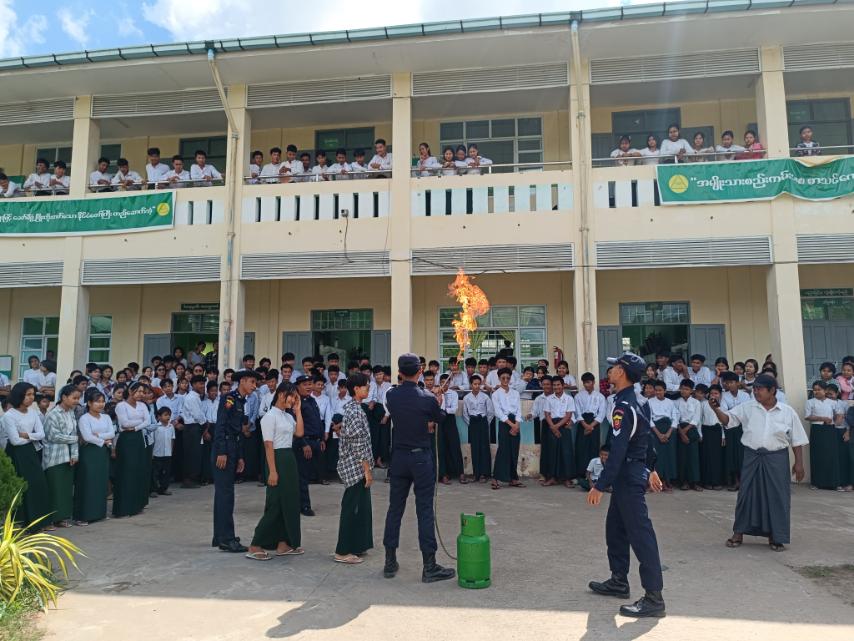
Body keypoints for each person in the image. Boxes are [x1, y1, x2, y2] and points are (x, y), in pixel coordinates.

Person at [588, 352, 666, 618]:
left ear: (621, 372)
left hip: (628, 475)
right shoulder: (638, 400)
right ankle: (619, 580)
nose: (609, 371)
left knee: (641, 536)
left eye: (613, 367)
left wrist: (600, 485)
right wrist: (651, 467)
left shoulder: (623, 406)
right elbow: (647, 438)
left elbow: (618, 450)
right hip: (631, 472)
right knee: (615, 530)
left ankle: (654, 598)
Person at [710, 374, 807, 551]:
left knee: (777, 497)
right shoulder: (747, 407)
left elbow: (797, 440)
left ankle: (776, 536)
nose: (755, 392)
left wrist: (799, 464)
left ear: (772, 390)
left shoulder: (787, 412)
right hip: (752, 456)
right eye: (754, 388)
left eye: (759, 389)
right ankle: (738, 532)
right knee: (746, 495)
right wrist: (716, 409)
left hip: (777, 458)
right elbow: (728, 420)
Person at [382, 353, 455, 583]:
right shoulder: (427, 398)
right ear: (420, 371)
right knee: (424, 510)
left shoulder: (391, 395)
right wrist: (437, 401)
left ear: (400, 372)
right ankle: (429, 566)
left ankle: (390, 561)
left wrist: (432, 398)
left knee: (395, 509)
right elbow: (440, 417)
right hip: (420, 458)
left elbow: (409, 399)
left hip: (399, 458)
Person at [246, 382, 305, 561]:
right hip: (276, 460)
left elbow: (299, 433)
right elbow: (268, 445)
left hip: (289, 460)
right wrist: (272, 471)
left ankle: (283, 543)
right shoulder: (269, 417)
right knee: (275, 503)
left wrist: (298, 411)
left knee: (289, 502)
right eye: (292, 396)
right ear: (281, 394)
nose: (294, 400)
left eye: (295, 397)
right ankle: (255, 544)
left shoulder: (287, 416)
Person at [212, 370, 256, 553]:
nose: (254, 386)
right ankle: (227, 539)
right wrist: (222, 452)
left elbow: (237, 433)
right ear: (243, 381)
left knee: (223, 495)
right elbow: (221, 426)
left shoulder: (240, 401)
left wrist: (240, 457)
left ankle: (219, 536)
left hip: (232, 449)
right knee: (226, 496)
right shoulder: (229, 399)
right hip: (224, 450)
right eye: (252, 382)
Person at [334, 373, 375, 564]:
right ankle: (342, 551)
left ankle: (357, 545)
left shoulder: (355, 408)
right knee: (352, 508)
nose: (368, 388)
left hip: (357, 464)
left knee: (362, 508)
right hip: (355, 467)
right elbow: (358, 444)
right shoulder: (354, 411)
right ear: (356, 389)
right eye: (366, 386)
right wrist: (367, 470)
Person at [2, 382, 50, 530]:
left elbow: (42, 434)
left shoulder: (33, 412)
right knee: (22, 487)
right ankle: (21, 522)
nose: (31, 397)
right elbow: (15, 441)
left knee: (37, 484)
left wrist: (27, 435)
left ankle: (38, 521)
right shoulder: (9, 415)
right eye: (28, 394)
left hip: (31, 452)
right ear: (19, 395)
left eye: (33, 394)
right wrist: (32, 437)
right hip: (16, 454)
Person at [42, 384, 81, 528]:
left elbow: (73, 432)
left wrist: (74, 454)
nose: (77, 401)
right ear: (64, 397)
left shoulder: (70, 412)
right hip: (54, 457)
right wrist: (75, 439)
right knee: (54, 489)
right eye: (74, 398)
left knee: (65, 490)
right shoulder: (53, 414)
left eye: (78, 398)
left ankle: (61, 518)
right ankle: (49, 519)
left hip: (68, 457)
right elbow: (53, 436)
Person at [76, 389, 115, 524]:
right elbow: (87, 437)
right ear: (89, 403)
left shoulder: (106, 417)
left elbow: (112, 433)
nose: (101, 404)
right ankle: (84, 516)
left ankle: (99, 513)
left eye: (103, 401)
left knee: (101, 482)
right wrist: (103, 440)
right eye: (97, 401)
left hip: (102, 453)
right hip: (89, 453)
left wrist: (98, 436)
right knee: (88, 482)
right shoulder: (84, 418)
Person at [114, 382, 150, 518]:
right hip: (126, 440)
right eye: (139, 391)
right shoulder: (121, 406)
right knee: (126, 471)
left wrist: (135, 427)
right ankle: (123, 508)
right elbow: (124, 423)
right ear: (130, 391)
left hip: (138, 438)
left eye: (143, 392)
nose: (141, 394)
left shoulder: (142, 405)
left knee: (138, 470)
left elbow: (148, 421)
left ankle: (136, 505)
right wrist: (140, 422)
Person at [294, 374, 325, 516]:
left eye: (310, 384)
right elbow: (295, 426)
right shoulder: (296, 402)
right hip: (304, 443)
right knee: (302, 476)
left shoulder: (312, 400)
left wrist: (321, 438)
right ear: (298, 387)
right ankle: (304, 506)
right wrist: (303, 443)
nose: (308, 387)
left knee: (311, 475)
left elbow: (317, 421)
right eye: (305, 384)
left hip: (315, 441)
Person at [491, 367, 524, 490]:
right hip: (505, 423)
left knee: (514, 450)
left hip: (515, 422)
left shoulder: (515, 393)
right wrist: (512, 425)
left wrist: (517, 424)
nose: (505, 380)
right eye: (503, 378)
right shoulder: (496, 394)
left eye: (508, 378)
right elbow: (498, 412)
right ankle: (495, 478)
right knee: (503, 450)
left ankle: (513, 478)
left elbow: (519, 410)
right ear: (499, 378)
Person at [804, 380, 840, 491]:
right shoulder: (810, 402)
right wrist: (822, 418)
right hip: (817, 430)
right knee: (817, 455)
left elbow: (837, 416)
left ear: (825, 390)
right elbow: (807, 416)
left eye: (819, 389)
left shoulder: (833, 402)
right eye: (814, 390)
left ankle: (833, 483)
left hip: (830, 430)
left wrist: (836, 421)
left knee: (831, 456)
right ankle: (816, 483)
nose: (816, 392)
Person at [462, 374, 493, 483]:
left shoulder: (485, 397)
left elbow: (490, 412)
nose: (477, 386)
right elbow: (465, 413)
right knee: (475, 448)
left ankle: (485, 474)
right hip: (473, 423)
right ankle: (476, 474)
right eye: (475, 384)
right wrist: (471, 424)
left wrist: (485, 423)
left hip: (483, 422)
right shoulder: (466, 398)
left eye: (478, 384)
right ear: (471, 385)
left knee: (484, 447)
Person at [575, 372, 606, 479]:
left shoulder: (600, 396)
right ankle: (580, 474)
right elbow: (577, 412)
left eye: (588, 382)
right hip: (582, 423)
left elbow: (601, 413)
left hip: (594, 424)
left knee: (593, 448)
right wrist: (585, 425)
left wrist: (591, 426)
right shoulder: (578, 396)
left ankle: (593, 474)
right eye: (584, 383)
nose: (586, 385)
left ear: (593, 382)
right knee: (581, 448)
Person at [179, 375, 208, 488]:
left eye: (203, 384)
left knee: (195, 454)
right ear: (193, 385)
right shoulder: (192, 397)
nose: (202, 386)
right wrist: (205, 424)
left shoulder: (195, 396)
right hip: (192, 427)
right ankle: (188, 480)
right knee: (192, 454)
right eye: (200, 384)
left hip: (194, 427)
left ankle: (193, 478)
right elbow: (197, 414)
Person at [437, 374, 466, 485]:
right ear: (440, 382)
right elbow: (436, 408)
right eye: (442, 382)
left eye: (447, 382)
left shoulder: (453, 394)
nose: (445, 384)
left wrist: (444, 410)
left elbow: (454, 409)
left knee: (455, 446)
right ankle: (444, 474)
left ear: (449, 383)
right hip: (440, 421)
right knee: (441, 447)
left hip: (450, 420)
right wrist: (440, 396)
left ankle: (460, 473)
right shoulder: (437, 393)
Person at [675, 379, 703, 491]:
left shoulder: (696, 403)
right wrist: (682, 433)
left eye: (686, 389)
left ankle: (695, 482)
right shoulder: (676, 402)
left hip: (691, 429)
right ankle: (684, 482)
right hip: (680, 429)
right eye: (682, 389)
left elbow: (696, 418)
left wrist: (686, 431)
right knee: (683, 457)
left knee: (693, 458)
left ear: (691, 391)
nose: (683, 391)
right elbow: (675, 419)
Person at [699, 384, 726, 490]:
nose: (713, 395)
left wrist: (723, 436)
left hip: (717, 432)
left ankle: (716, 481)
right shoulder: (703, 404)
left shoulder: (723, 405)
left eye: (716, 393)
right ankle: (707, 482)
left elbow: (723, 423)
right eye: (711, 393)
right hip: (706, 431)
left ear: (720, 394)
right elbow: (700, 420)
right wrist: (700, 434)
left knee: (717, 458)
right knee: (706, 457)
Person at [151, 407, 176, 496]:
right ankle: (153, 489)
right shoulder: (156, 427)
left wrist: (171, 451)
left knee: (166, 472)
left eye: (169, 415)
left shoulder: (171, 427)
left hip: (167, 454)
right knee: (155, 472)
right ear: (159, 417)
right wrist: (151, 453)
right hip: (157, 453)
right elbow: (152, 441)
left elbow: (172, 439)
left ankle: (164, 488)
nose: (168, 417)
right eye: (165, 415)